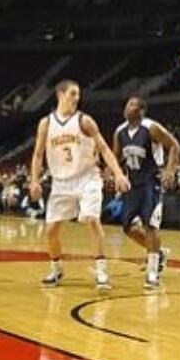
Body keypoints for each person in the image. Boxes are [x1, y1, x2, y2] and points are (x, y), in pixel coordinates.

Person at [29, 81, 130, 291]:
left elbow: (103, 148)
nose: (76, 98)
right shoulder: (46, 124)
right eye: (73, 94)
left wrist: (119, 174)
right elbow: (38, 154)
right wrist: (34, 180)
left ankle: (101, 271)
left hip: (87, 177)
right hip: (61, 181)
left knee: (92, 220)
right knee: (51, 230)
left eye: (78, 94)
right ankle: (56, 268)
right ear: (60, 94)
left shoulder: (85, 121)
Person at [112, 96, 180, 289]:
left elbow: (174, 145)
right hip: (132, 183)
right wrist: (115, 175)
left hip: (152, 180)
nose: (127, 107)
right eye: (127, 104)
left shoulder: (151, 128)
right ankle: (159, 253)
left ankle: (152, 271)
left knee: (151, 225)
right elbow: (114, 157)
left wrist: (170, 170)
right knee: (128, 227)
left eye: (132, 105)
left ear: (141, 111)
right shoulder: (119, 131)